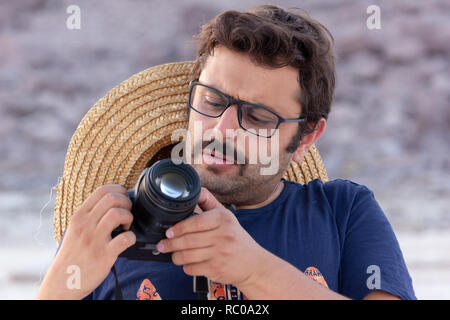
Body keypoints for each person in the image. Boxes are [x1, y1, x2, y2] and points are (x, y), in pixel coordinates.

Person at [37, 5, 416, 300]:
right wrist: (59, 285)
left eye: (258, 116)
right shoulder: (108, 229)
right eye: (213, 100)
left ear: (305, 138)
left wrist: (254, 271)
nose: (222, 129)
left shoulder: (343, 212)